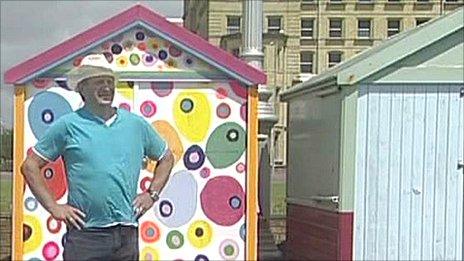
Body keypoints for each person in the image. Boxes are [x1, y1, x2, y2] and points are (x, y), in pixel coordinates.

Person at [21, 54, 174, 260]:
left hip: (125, 233)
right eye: (98, 81)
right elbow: (30, 166)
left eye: (109, 82)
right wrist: (54, 207)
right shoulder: (68, 125)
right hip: (85, 234)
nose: (106, 87)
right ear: (82, 88)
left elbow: (166, 157)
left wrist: (152, 194)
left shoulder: (135, 125)